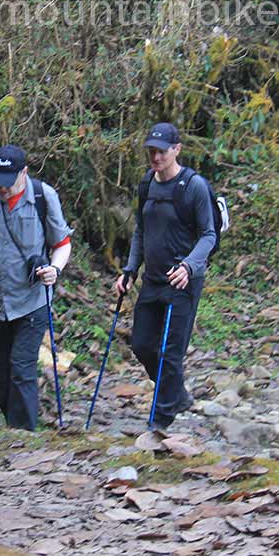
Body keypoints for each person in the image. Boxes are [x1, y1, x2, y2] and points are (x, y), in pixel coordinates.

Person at [114, 122, 217, 430]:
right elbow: (142, 232)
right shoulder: (147, 184)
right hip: (153, 279)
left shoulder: (194, 186)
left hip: (183, 281)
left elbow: (208, 235)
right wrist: (130, 270)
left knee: (172, 353)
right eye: (151, 151)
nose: (155, 157)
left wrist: (189, 266)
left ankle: (159, 422)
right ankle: (176, 394)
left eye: (161, 151)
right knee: (143, 345)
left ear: (177, 150)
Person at [0, 145, 74, 430]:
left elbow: (61, 244)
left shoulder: (43, 197)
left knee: (22, 369)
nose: (2, 187)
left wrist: (55, 269)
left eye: (8, 180)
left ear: (24, 172)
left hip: (31, 301)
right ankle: (18, 424)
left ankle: (24, 436)